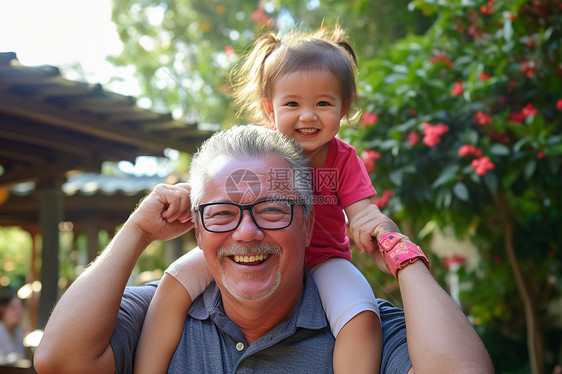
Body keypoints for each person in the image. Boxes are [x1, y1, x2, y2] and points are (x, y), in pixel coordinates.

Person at [34, 125, 493, 374]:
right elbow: (59, 361)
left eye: (272, 210)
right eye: (221, 213)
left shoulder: (360, 325)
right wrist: (136, 230)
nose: (247, 232)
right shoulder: (160, 311)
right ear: (196, 228)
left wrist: (401, 255)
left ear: (310, 222)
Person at [136, 25, 396, 374]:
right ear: (269, 109)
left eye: (323, 103)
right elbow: (218, 185)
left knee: (361, 313)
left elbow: (361, 211)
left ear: (344, 107)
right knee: (174, 280)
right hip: (252, 243)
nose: (307, 115)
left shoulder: (343, 160)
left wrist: (375, 227)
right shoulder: (261, 151)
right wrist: (187, 195)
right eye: (292, 103)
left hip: (324, 258)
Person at [0, 289, 25, 365]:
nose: (18, 312)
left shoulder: (19, 332)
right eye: (14, 307)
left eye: (20, 307)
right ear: (2, 309)